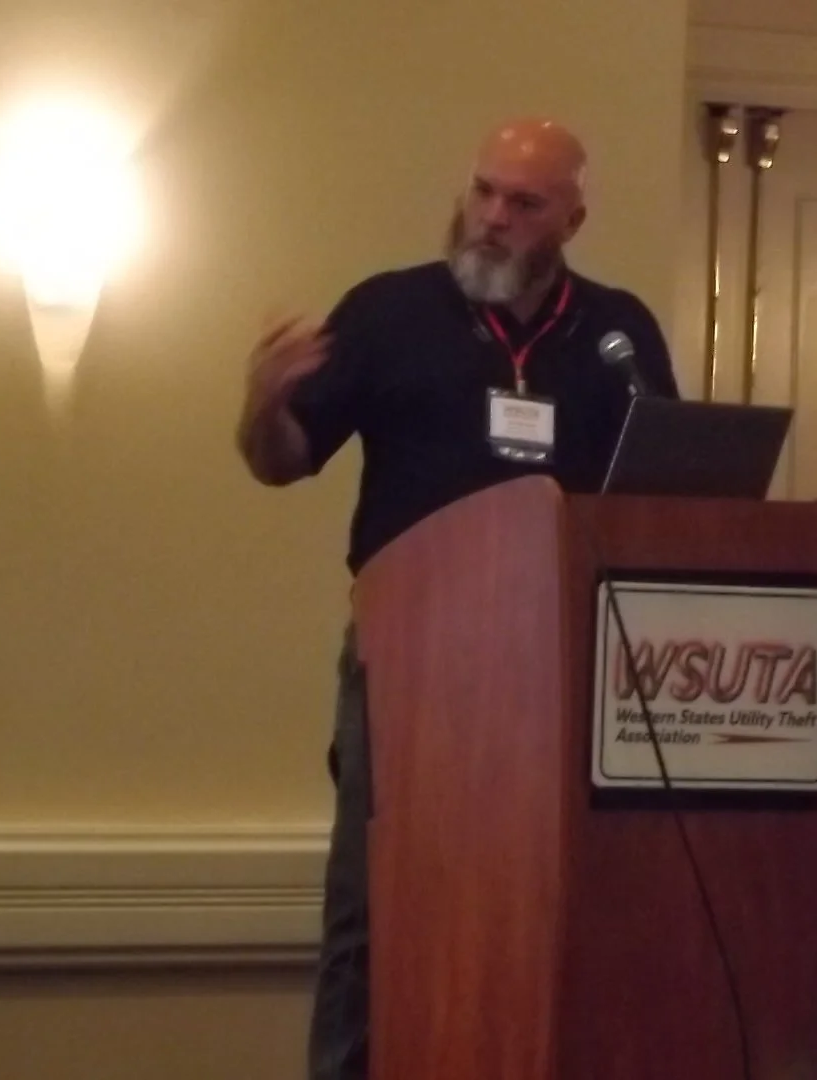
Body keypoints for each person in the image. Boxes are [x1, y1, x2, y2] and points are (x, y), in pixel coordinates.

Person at [234, 117, 679, 1080]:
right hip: (408, 663)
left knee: (547, 903)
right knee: (374, 910)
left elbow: (670, 494)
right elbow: (281, 463)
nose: (491, 218)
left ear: (572, 217)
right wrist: (262, 402)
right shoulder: (390, 313)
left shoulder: (615, 335)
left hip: (560, 669)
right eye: (483, 192)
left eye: (523, 203)